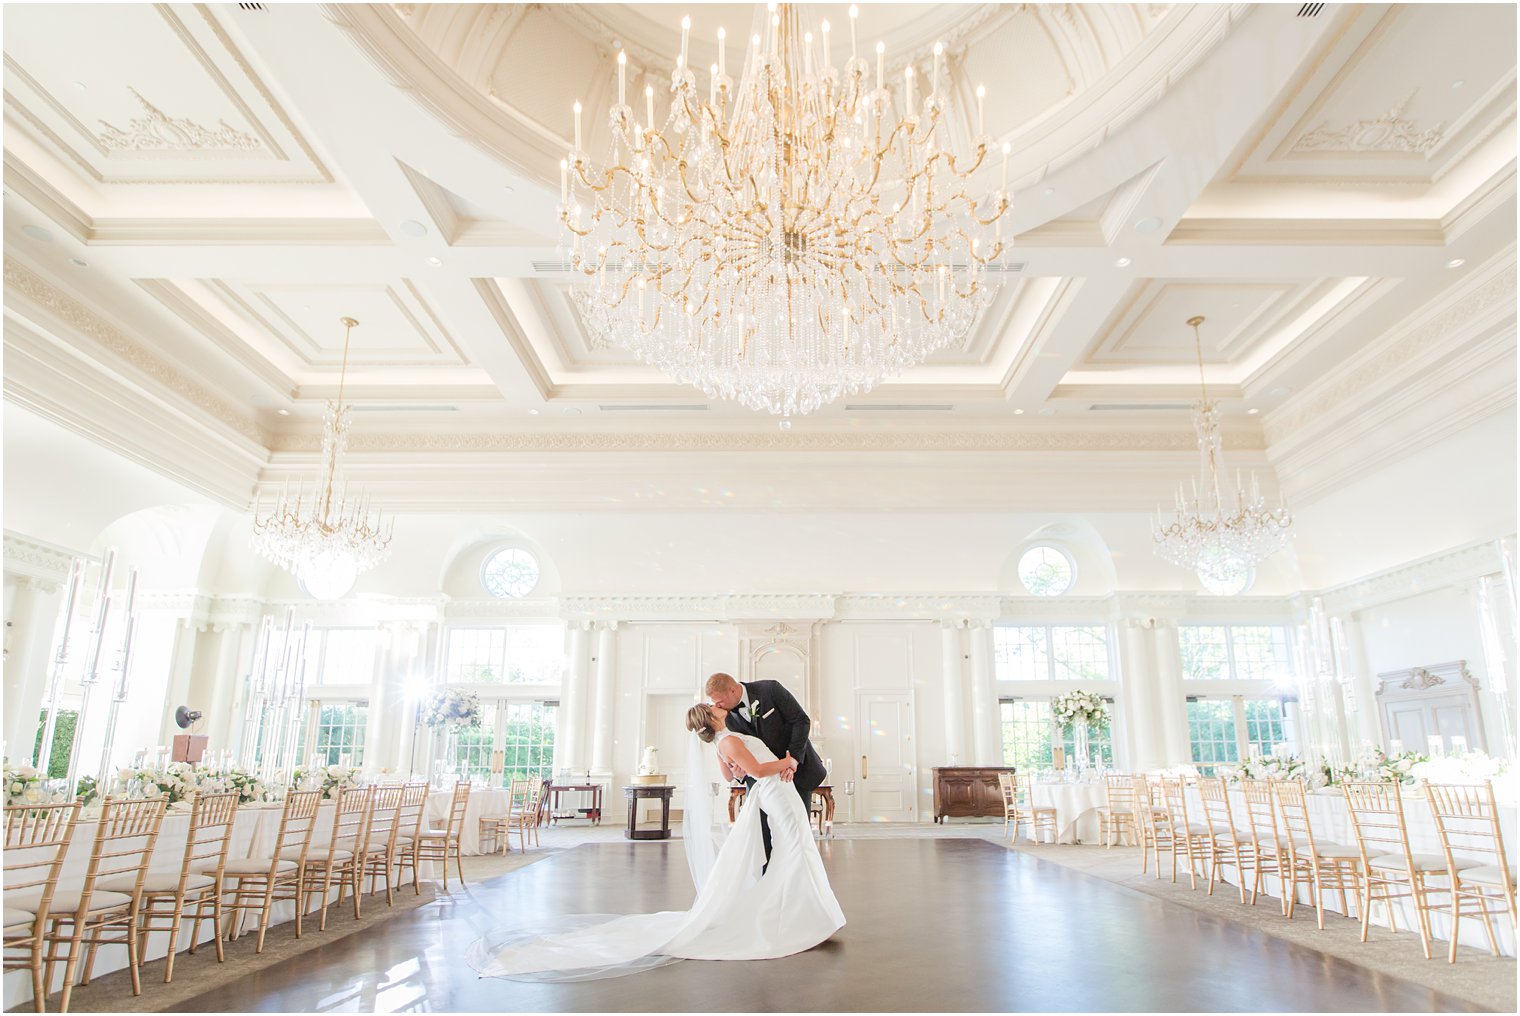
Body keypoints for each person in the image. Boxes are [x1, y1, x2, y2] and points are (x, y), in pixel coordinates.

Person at [467, 701, 844, 981]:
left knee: (796, 849)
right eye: (713, 707)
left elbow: (733, 775)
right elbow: (758, 770)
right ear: (712, 719)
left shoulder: (722, 745)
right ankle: (800, 917)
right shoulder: (729, 741)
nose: (719, 707)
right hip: (776, 793)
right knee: (796, 848)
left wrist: (771, 767)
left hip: (777, 795)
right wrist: (789, 763)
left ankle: (804, 912)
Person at [705, 672, 827, 864]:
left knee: (796, 831)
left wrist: (793, 759)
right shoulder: (723, 718)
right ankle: (768, 884)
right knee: (764, 837)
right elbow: (735, 757)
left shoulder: (769, 689)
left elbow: (801, 721)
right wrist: (740, 774)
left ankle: (797, 881)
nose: (716, 706)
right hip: (761, 783)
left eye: (719, 701)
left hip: (795, 773)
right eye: (714, 702)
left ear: (733, 690)